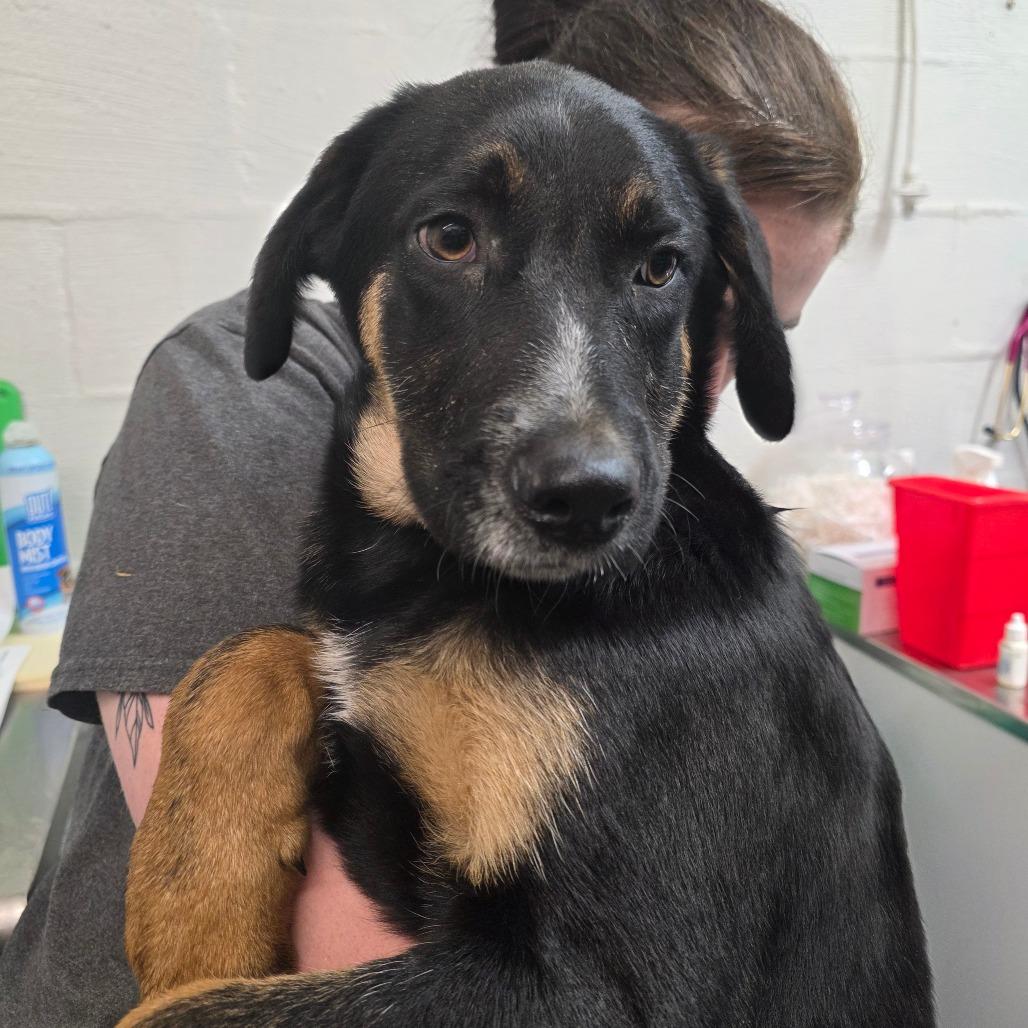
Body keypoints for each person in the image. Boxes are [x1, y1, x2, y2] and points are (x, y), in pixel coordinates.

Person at [0, 1, 862, 1024]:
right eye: (459, 236)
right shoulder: (238, 393)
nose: (689, 384)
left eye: (659, 271)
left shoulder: (693, 609)